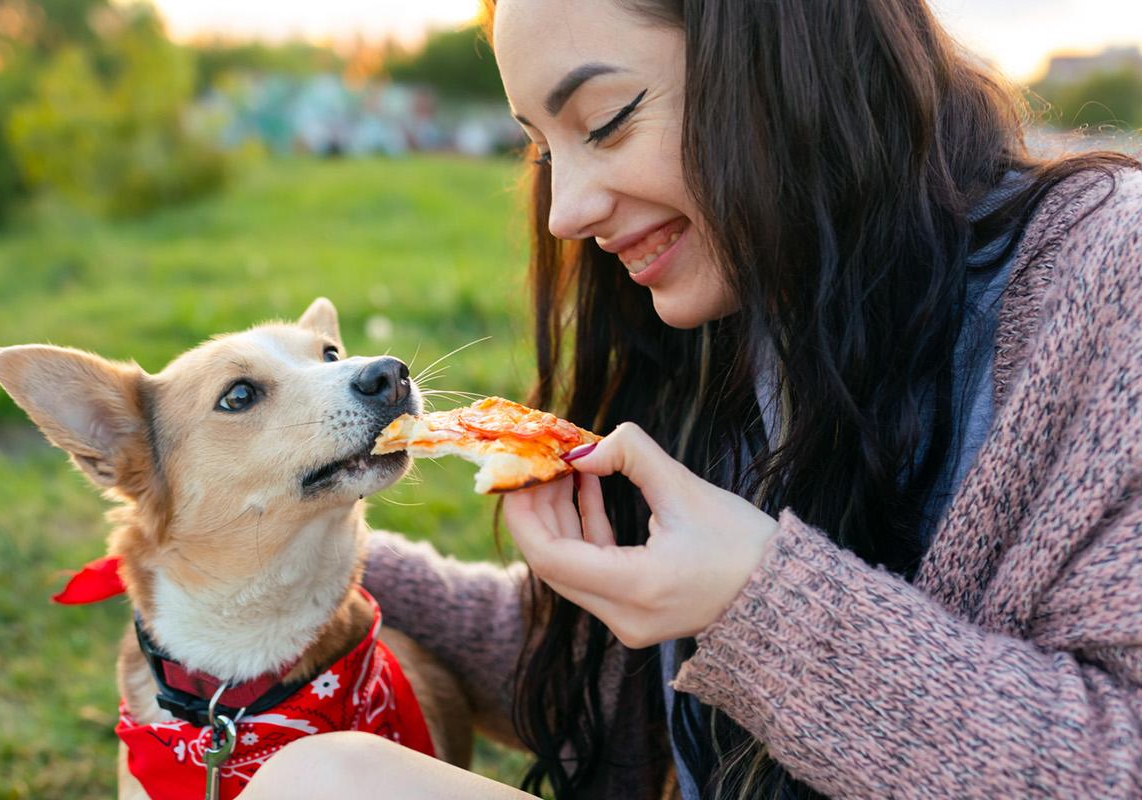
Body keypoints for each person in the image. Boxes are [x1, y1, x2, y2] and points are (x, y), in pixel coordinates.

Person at [243, 0, 1142, 797]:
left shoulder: (1109, 273)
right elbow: (631, 680)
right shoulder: (745, 306)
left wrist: (757, 603)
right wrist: (302, 558)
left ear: (790, 49)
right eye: (541, 144)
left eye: (607, 118)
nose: (565, 211)